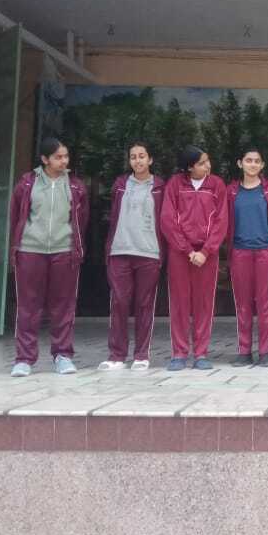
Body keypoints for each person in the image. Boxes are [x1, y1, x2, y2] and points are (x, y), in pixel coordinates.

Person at [8, 137, 89, 377]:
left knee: (63, 306)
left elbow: (81, 221)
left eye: (66, 156)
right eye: (58, 157)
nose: (64, 161)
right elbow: (16, 216)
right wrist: (19, 245)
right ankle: (24, 359)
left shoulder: (76, 187)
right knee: (28, 306)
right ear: (45, 159)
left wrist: (75, 246)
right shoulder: (27, 184)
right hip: (30, 250)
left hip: (64, 251)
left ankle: (63, 355)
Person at [98, 141, 166, 372]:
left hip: (149, 252)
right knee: (119, 302)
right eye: (133, 157)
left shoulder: (160, 187)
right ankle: (116, 355)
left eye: (142, 156)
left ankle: (141, 355)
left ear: (150, 159)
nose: (138, 160)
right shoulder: (120, 185)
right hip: (120, 251)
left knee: (144, 304)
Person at [160, 145, 228, 371]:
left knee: (204, 303)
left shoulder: (216, 185)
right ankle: (179, 353)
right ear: (189, 167)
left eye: (208, 160)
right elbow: (167, 220)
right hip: (181, 253)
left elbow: (221, 221)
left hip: (207, 254)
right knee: (179, 302)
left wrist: (206, 251)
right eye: (201, 163)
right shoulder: (175, 184)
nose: (208, 166)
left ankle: (201, 353)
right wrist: (188, 250)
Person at [226, 147, 268, 367]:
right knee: (243, 303)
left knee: (266, 303)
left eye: (257, 161)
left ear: (262, 165)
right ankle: (244, 351)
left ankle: (265, 351)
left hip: (266, 251)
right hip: (240, 251)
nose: (253, 164)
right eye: (248, 160)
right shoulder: (231, 192)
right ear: (240, 163)